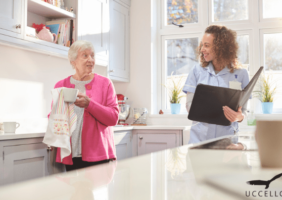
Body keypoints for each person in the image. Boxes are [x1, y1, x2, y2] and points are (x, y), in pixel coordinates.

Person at [50, 40, 119, 171]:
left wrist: (89, 104)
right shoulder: (60, 85)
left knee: (98, 190)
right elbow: (54, 117)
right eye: (85, 55)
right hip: (72, 154)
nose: (90, 60)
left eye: (92, 56)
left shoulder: (105, 83)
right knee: (75, 192)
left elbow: (113, 118)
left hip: (99, 155)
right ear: (73, 61)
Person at [183, 25, 249, 146]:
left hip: (227, 144)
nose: (202, 49)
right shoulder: (197, 71)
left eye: (207, 45)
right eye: (202, 45)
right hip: (199, 141)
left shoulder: (241, 74)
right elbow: (189, 106)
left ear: (221, 48)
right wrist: (214, 111)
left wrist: (239, 117)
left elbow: (243, 110)